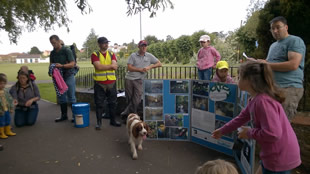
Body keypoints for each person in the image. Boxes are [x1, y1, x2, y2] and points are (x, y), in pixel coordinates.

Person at [212, 61, 301, 174]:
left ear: (249, 80)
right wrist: (222, 130)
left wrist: (249, 133)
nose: (236, 79)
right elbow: (241, 118)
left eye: (239, 77)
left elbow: (273, 133)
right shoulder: (256, 99)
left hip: (279, 157)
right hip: (272, 153)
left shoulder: (263, 102)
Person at [258, 16, 306, 120]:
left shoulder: (294, 41)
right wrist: (260, 62)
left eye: (278, 27)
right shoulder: (273, 46)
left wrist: (267, 64)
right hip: (272, 88)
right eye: (272, 28)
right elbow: (269, 64)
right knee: (269, 123)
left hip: (288, 88)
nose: (275, 31)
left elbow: (293, 64)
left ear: (286, 27)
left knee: (281, 124)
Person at [120, 40, 162, 119]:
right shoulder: (133, 55)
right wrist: (140, 69)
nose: (144, 47)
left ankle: (126, 113)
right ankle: (132, 116)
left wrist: (150, 67)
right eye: (142, 45)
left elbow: (159, 64)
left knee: (137, 99)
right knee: (129, 98)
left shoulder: (149, 56)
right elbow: (129, 67)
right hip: (129, 79)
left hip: (139, 80)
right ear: (138, 46)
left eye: (145, 46)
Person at [91, 36, 121, 129]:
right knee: (99, 103)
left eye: (107, 43)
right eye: (104, 43)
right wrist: (110, 66)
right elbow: (98, 67)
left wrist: (105, 66)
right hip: (100, 83)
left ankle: (113, 121)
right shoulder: (95, 54)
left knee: (113, 103)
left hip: (111, 82)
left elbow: (115, 66)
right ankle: (99, 123)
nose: (106, 44)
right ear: (99, 44)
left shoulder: (112, 53)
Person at [49, 35, 76, 122]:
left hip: (68, 75)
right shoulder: (52, 53)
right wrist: (51, 71)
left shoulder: (66, 50)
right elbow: (51, 63)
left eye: (55, 43)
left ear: (59, 41)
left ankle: (75, 116)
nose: (53, 45)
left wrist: (62, 66)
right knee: (61, 96)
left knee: (71, 96)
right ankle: (64, 115)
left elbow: (72, 64)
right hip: (58, 77)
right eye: (52, 43)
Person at [0, 73, 16, 139]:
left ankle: (8, 131)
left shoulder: (6, 91)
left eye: (3, 83)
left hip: (7, 109)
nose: (2, 85)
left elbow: (10, 99)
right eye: (0, 83)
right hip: (1, 111)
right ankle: (1, 133)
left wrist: (11, 108)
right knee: (1, 122)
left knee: (8, 120)